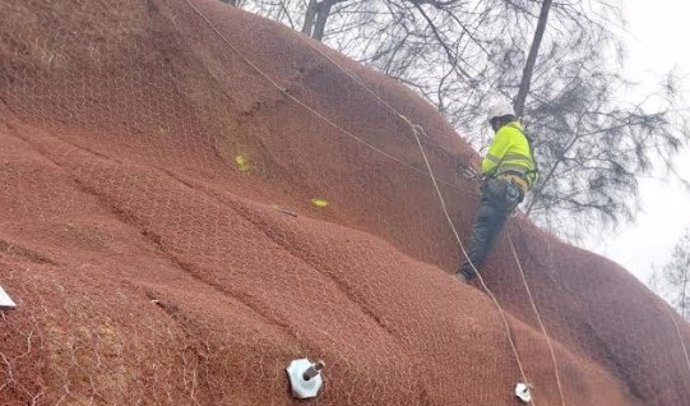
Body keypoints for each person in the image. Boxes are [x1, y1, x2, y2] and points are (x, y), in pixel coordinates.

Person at [457, 102, 538, 282]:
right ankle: (470, 275)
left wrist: (483, 175)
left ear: (499, 121)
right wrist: (520, 190)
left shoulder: (506, 132)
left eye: (494, 124)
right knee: (491, 234)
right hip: (514, 196)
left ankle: (464, 274)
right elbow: (534, 176)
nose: (495, 128)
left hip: (500, 187)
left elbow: (489, 164)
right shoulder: (526, 142)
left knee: (482, 227)